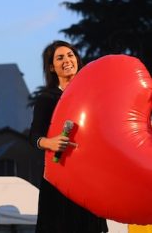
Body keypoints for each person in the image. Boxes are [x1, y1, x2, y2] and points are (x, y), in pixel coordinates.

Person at [29, 40, 108, 233]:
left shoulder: (91, 95)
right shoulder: (47, 98)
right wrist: (50, 142)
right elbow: (34, 135)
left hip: (88, 176)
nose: (67, 60)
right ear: (51, 67)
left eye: (71, 55)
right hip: (58, 178)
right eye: (60, 57)